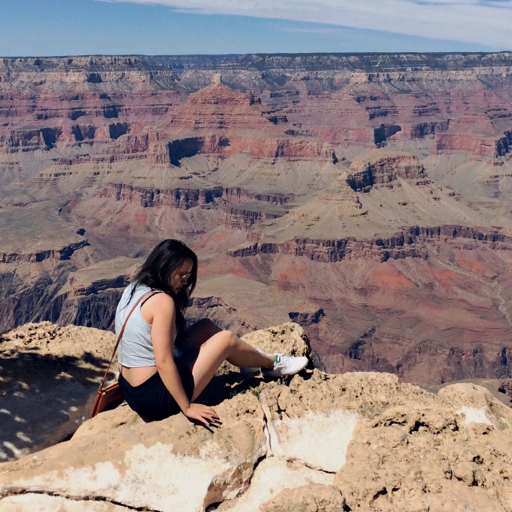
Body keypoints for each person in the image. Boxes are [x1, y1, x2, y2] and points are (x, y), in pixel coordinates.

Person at [116, 239, 308, 428]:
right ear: (165, 267)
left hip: (129, 388)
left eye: (188, 275)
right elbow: (164, 361)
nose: (185, 281)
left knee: (206, 327)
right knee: (226, 340)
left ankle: (250, 361)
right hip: (154, 397)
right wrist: (187, 406)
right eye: (181, 274)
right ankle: (271, 364)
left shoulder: (135, 287)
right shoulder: (162, 302)